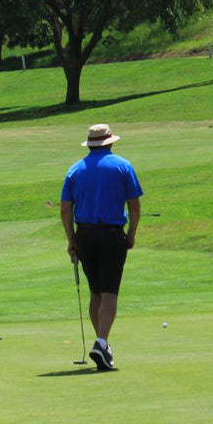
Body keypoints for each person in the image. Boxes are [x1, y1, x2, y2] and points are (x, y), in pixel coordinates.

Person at [61, 124, 143, 371]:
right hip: (111, 234)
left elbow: (66, 210)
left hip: (85, 235)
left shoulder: (75, 170)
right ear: (110, 143)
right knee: (109, 293)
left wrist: (71, 240)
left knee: (95, 293)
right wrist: (132, 233)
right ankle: (102, 342)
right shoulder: (122, 166)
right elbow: (134, 205)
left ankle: (103, 347)